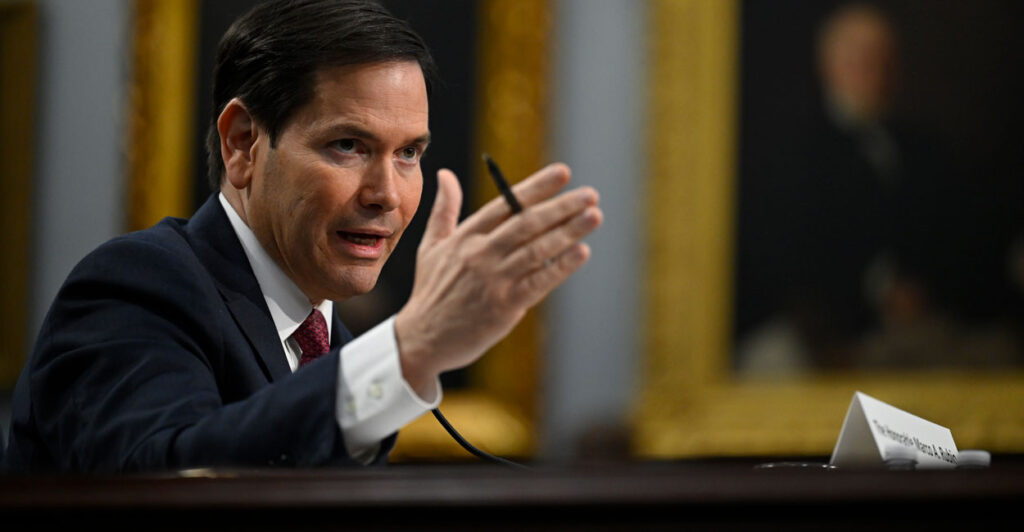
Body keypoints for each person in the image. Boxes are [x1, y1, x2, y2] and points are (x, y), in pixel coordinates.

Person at [3, 0, 603, 472]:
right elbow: (171, 482)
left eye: (408, 153)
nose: (386, 194)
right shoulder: (136, 286)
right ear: (243, 143)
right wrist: (412, 348)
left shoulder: (333, 346)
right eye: (348, 145)